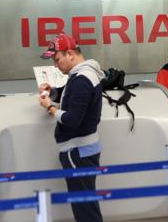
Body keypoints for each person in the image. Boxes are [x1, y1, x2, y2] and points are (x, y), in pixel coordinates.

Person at [38, 32, 105, 222]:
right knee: (85, 204)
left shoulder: (82, 79)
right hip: (84, 150)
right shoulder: (83, 75)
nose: (55, 65)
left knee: (84, 208)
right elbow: (74, 100)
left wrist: (49, 107)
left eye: (57, 60)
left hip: (78, 151)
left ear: (70, 54)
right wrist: (54, 93)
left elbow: (73, 119)